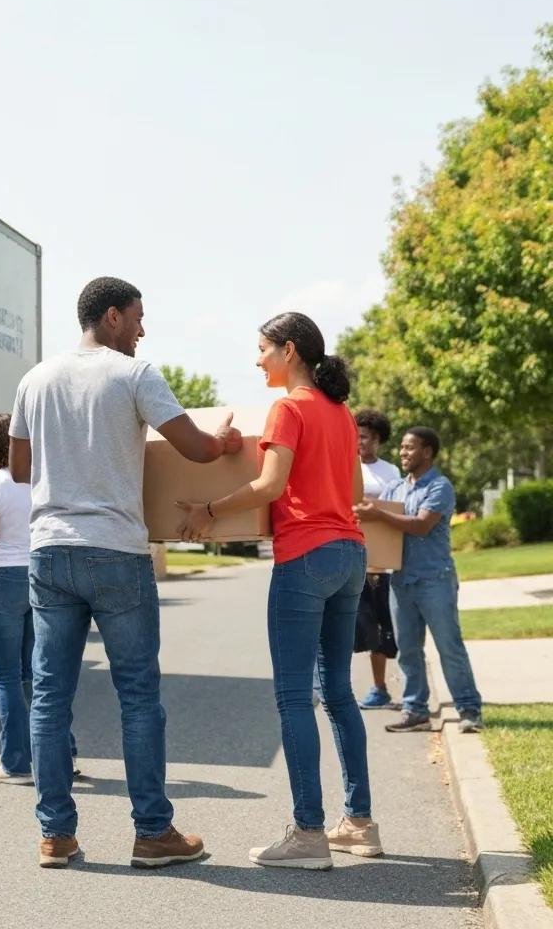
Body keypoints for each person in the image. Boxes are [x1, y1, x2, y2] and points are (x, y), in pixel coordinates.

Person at [9, 276, 243, 870]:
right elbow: (195, 449)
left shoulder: (35, 379)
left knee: (49, 698)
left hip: (49, 551)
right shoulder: (134, 375)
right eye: (139, 317)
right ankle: (152, 833)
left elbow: (17, 468)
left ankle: (55, 836)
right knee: (138, 697)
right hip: (115, 551)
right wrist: (225, 442)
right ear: (112, 316)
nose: (143, 328)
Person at [178, 312, 382, 870]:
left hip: (306, 557)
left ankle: (309, 834)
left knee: (294, 696)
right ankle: (359, 823)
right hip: (349, 554)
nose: (257, 358)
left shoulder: (289, 408)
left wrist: (208, 510)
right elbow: (357, 489)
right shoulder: (341, 413)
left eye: (263, 348)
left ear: (289, 351)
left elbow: (270, 485)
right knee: (338, 693)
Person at [0, 414, 78, 784]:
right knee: (41, 675)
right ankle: (63, 756)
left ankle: (16, 764)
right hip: (43, 574)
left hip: (3, 578)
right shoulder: (43, 479)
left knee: (5, 677)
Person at [356, 427, 483, 733]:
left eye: (410, 448)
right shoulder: (395, 489)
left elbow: (421, 525)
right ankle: (415, 710)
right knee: (408, 649)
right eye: (401, 447)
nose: (403, 452)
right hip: (401, 581)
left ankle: (469, 710)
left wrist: (378, 516)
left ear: (427, 452)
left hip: (434, 580)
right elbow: (378, 526)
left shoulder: (440, 487)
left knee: (449, 646)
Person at [353, 409, 401, 710]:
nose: (361, 443)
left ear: (379, 440)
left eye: (367, 437)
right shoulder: (346, 466)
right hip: (352, 555)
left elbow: (395, 510)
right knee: (356, 627)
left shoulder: (390, 472)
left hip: (382, 560)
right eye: (357, 436)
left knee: (383, 629)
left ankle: (380, 687)